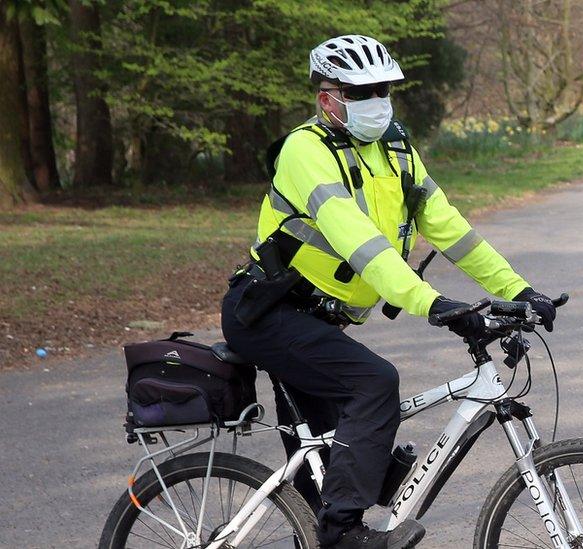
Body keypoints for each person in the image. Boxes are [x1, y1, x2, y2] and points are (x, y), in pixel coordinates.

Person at [221, 34, 557, 548]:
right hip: (269, 314)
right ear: (326, 98)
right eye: (360, 92)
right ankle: (342, 537)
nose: (376, 100)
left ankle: (330, 523)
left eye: (382, 89)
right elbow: (362, 245)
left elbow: (450, 229)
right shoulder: (304, 151)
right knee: (375, 384)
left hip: (317, 321)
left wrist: (519, 288)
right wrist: (433, 303)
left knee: (357, 466)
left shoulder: (396, 150)